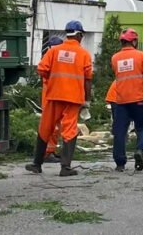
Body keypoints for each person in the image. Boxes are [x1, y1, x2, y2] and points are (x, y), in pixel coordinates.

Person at [25, 21, 92, 177]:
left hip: (54, 96)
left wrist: (54, 81)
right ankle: (65, 167)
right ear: (79, 35)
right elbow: (88, 80)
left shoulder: (54, 51)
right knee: (69, 130)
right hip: (73, 98)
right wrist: (87, 100)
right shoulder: (84, 54)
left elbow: (41, 70)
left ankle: (36, 164)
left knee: (45, 128)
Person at [111, 28, 143, 172]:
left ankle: (120, 163)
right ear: (134, 41)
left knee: (120, 131)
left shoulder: (115, 58)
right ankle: (140, 150)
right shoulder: (141, 56)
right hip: (139, 100)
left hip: (121, 101)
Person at [41, 36, 64, 164]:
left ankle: (49, 151)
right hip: (51, 97)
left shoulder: (51, 57)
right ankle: (47, 153)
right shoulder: (51, 58)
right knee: (52, 127)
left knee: (56, 127)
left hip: (53, 96)